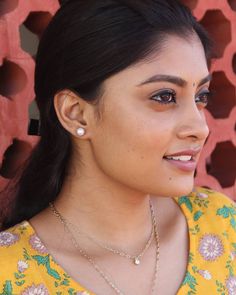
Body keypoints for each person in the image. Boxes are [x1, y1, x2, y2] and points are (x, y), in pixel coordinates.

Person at [0, 0, 235, 294]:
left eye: (201, 97)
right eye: (164, 97)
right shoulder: (10, 274)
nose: (200, 128)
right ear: (76, 113)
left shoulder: (222, 227)